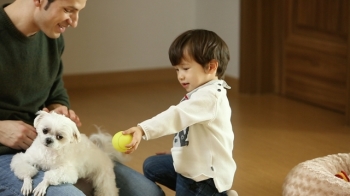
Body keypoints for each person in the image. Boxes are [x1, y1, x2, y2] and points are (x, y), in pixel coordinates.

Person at [0, 0, 165, 195]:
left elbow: (55, 90)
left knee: (148, 193)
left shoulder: (51, 37)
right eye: (68, 10)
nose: (74, 22)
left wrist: (58, 109)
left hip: (51, 148)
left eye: (78, 12)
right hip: (7, 155)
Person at [122, 29, 237, 195]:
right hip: (194, 165)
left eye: (185, 68)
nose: (180, 76)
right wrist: (180, 150)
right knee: (152, 166)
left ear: (211, 67)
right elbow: (191, 130)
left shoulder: (210, 96)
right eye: (177, 70)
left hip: (203, 178)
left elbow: (176, 116)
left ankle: (217, 193)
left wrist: (143, 129)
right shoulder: (201, 92)